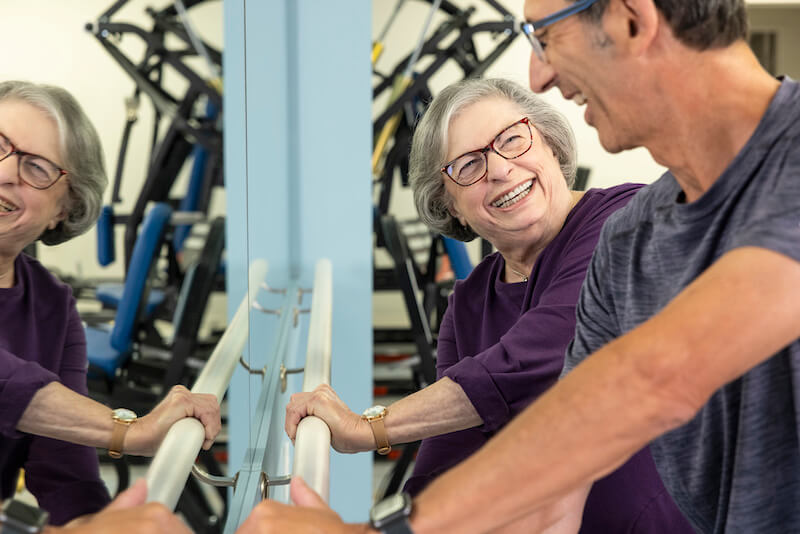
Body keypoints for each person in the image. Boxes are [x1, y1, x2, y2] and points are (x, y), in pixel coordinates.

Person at [238, 0, 800, 532]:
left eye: (545, 34)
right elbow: (567, 452)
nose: (538, 76)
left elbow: (654, 379)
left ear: (633, 19)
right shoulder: (637, 236)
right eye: (471, 166)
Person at [284, 78, 691, 531]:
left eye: (512, 140)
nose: (499, 168)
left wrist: (369, 428)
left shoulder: (626, 219)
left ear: (550, 145)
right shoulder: (470, 301)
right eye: (468, 165)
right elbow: (444, 462)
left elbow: (547, 351)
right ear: (450, 205)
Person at [0, 80, 221, 525]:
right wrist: (130, 430)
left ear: (64, 209)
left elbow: (66, 477)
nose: (5, 172)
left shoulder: (51, 306)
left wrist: (100, 524)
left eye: (36, 168)